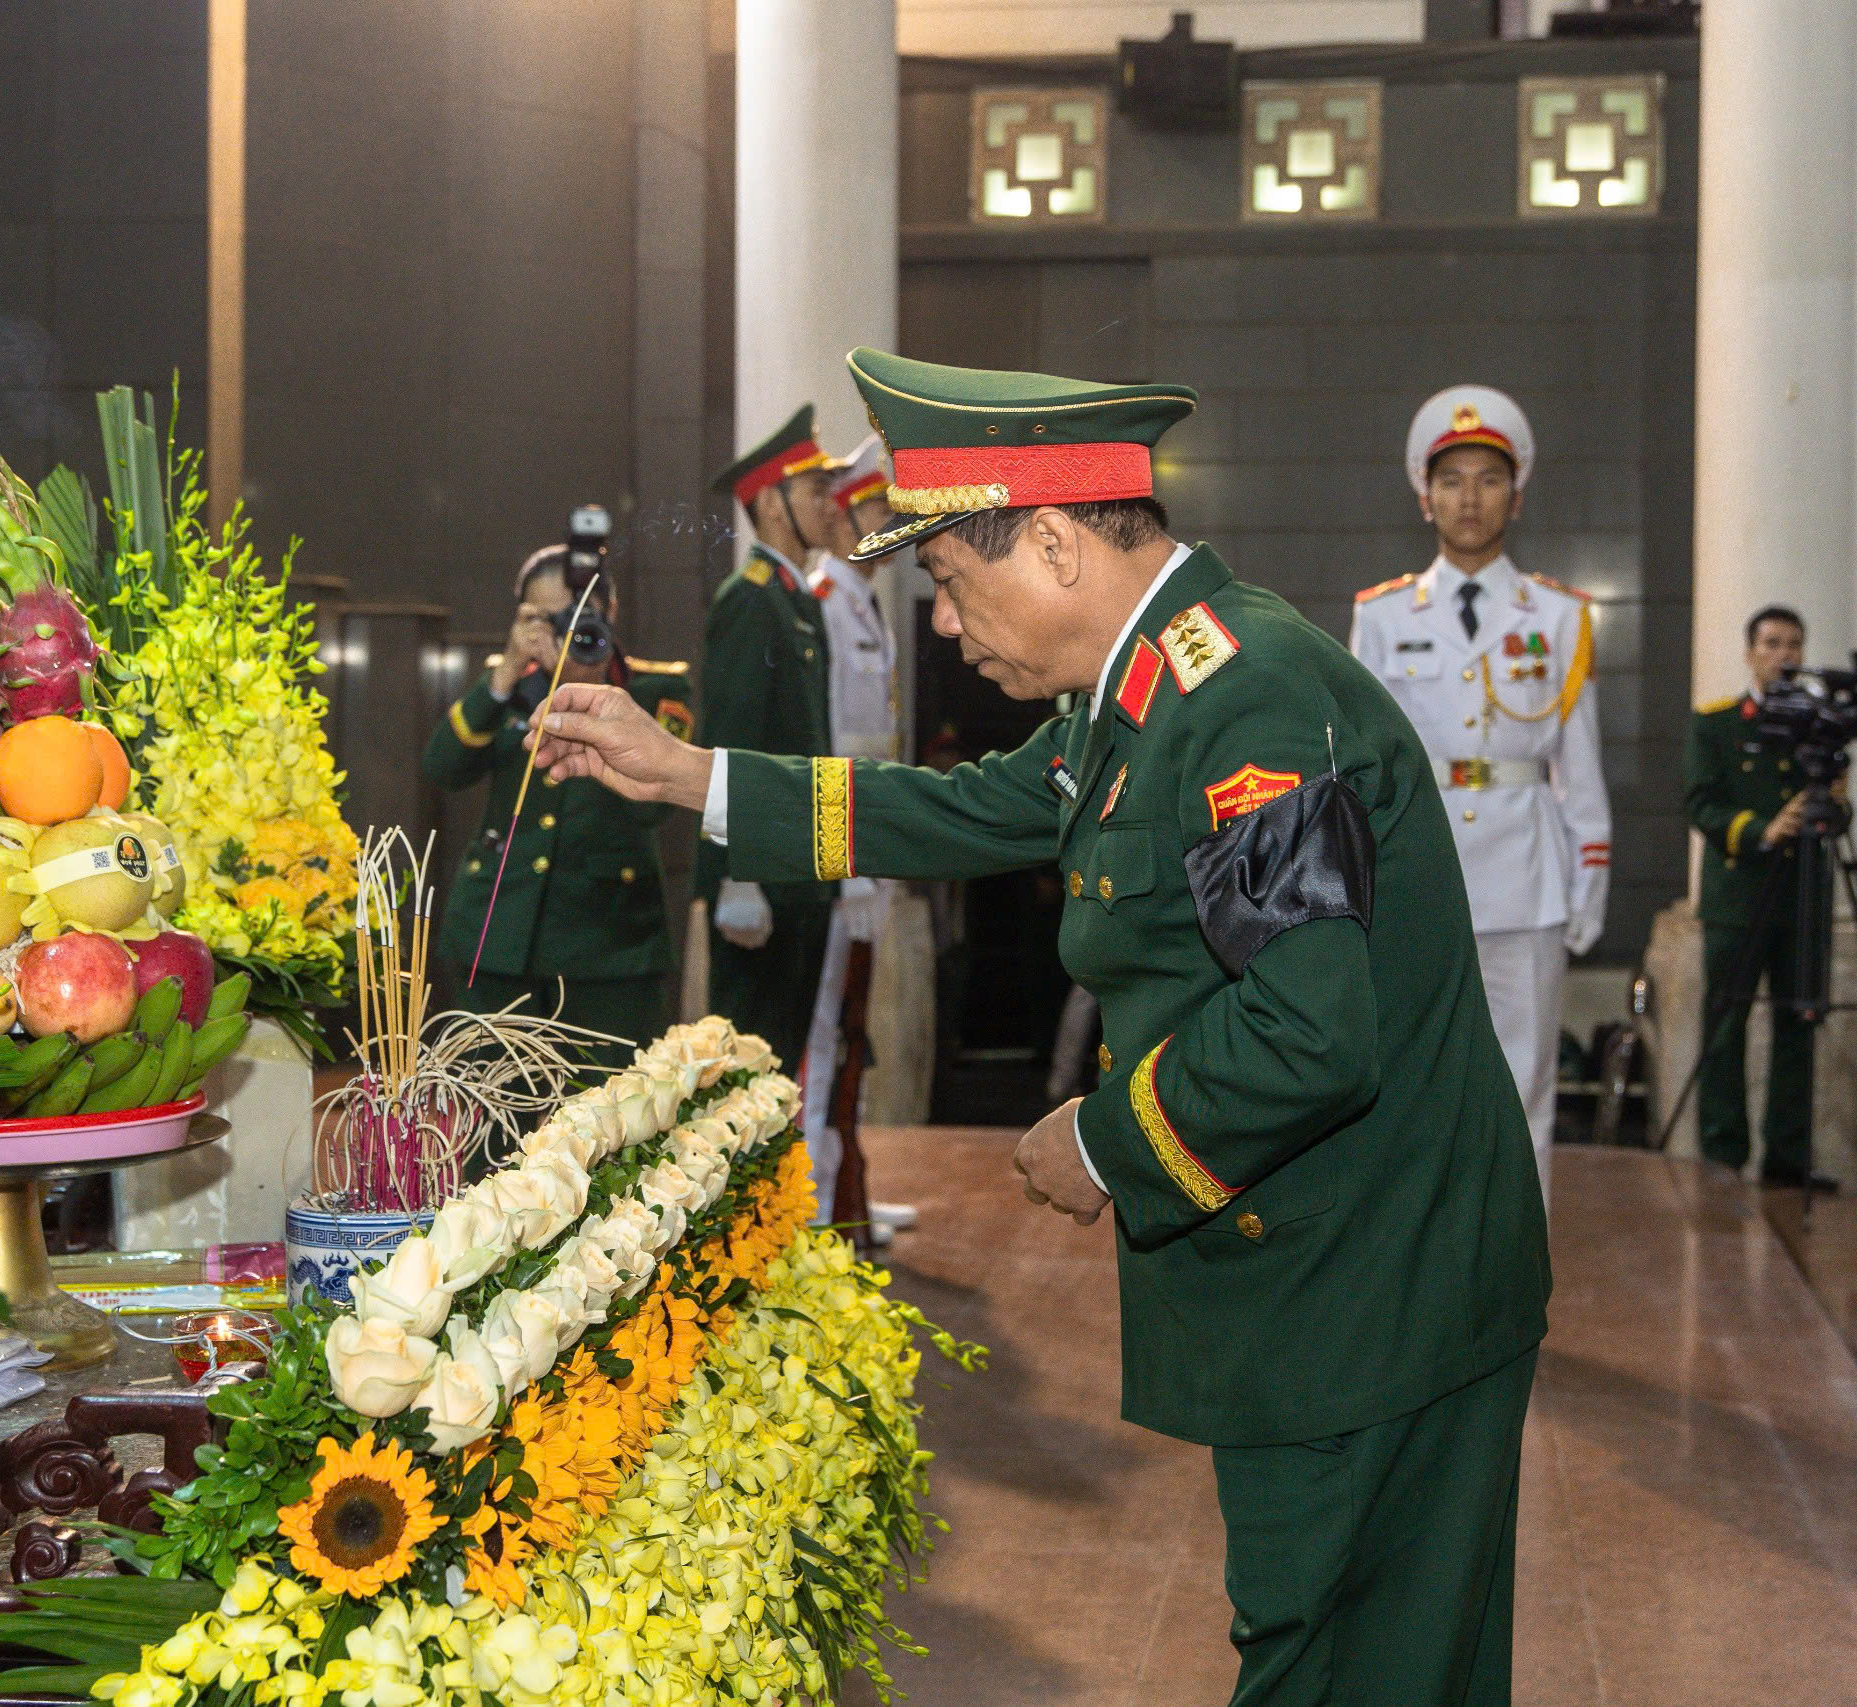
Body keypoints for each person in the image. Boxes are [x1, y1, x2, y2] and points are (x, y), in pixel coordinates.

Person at [534, 348, 1549, 1707]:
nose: (947, 624)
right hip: (1338, 1267)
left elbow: (1312, 1030)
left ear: (1058, 542)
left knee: (1340, 1652)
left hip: (1377, 1287)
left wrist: (1112, 1141)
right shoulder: (1147, 692)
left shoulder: (1238, 698)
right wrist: (690, 775)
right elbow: (954, 812)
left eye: (951, 579)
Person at [1349, 387, 1609, 1201]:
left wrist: (1587, 880)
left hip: (1526, 881)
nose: (1469, 497)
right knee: (1411, 1081)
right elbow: (1362, 766)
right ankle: (1426, 1266)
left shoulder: (1559, 616)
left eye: (1488, 479)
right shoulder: (1384, 614)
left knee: (1526, 1087)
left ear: (1517, 495)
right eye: (1451, 479)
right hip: (1417, 877)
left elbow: (1581, 762)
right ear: (1425, 499)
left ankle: (1512, 1273)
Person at [421, 543, 691, 1057]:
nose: (564, 631)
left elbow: (655, 807)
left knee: (610, 1116)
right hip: (501, 934)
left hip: (610, 944)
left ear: (609, 613)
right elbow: (442, 768)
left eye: (578, 616)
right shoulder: (509, 688)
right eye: (545, 618)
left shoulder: (656, 690)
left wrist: (590, 686)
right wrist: (503, 675)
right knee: (494, 1113)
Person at [798, 438, 913, 1239]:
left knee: (850, 1036)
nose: (891, 524)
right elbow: (828, 751)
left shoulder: (867, 602)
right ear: (843, 517)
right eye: (878, 510)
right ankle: (811, 1209)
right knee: (822, 1042)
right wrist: (848, 873)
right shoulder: (823, 603)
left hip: (866, 848)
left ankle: (847, 1199)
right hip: (837, 860)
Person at [699, 406, 838, 1068]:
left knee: (782, 1076)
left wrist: (836, 861)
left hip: (802, 876)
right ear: (774, 506)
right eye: (815, 491)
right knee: (745, 1084)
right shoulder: (751, 600)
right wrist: (737, 875)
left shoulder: (796, 599)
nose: (829, 505)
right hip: (764, 883)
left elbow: (817, 748)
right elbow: (730, 741)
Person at [1684, 605, 1824, 1188]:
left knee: (1800, 1022)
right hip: (1738, 898)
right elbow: (1701, 803)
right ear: (1750, 652)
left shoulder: (1818, 724)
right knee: (1725, 1025)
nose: (1784, 655)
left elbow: (1837, 809)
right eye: (1771, 644)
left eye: (1794, 644)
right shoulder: (1717, 722)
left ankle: (1788, 1160)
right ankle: (1722, 1154)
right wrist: (1762, 829)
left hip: (1803, 898)